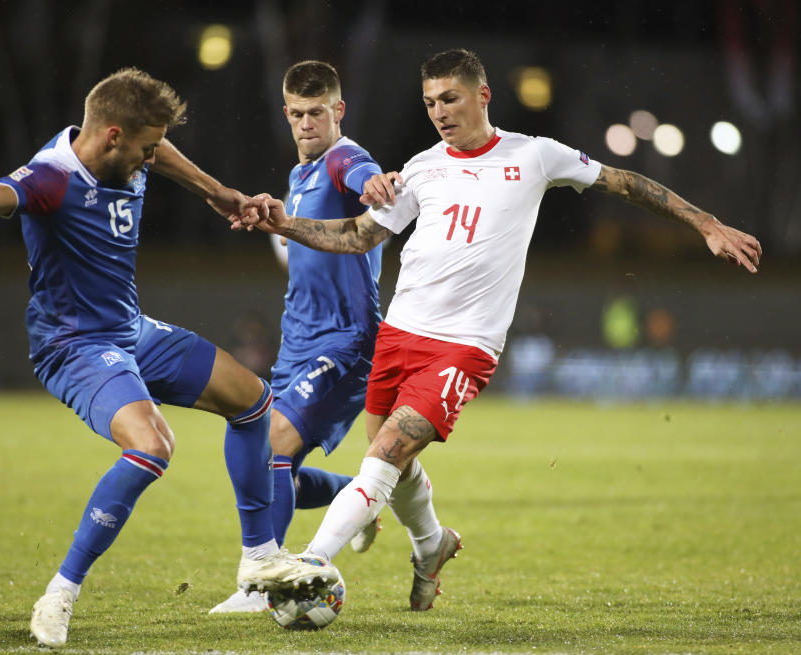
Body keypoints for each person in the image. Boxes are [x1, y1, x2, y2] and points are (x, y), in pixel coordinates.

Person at [239, 48, 762, 611]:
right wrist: (285, 223)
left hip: (464, 346)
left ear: (482, 96)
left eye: (450, 98)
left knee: (387, 452)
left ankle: (311, 562)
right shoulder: (421, 167)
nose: (439, 112)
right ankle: (431, 544)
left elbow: (622, 181)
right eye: (430, 102)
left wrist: (703, 222)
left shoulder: (534, 156)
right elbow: (359, 236)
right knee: (391, 459)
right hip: (399, 333)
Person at [0, 67, 337, 647]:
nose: (151, 158)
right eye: (143, 148)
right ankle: (61, 592)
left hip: (130, 330)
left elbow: (162, 149)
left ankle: (259, 559)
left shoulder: (129, 145)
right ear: (113, 136)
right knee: (152, 445)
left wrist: (218, 193)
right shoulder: (52, 178)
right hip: (76, 347)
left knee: (253, 401)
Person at [210, 60, 386, 614]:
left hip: (346, 341)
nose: (308, 123)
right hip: (297, 340)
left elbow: (361, 178)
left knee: (278, 439)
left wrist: (373, 183)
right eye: (298, 114)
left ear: (338, 110)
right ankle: (356, 497)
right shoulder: (298, 176)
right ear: (286, 114)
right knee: (266, 457)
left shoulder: (344, 159)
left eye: (318, 112)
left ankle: (262, 585)